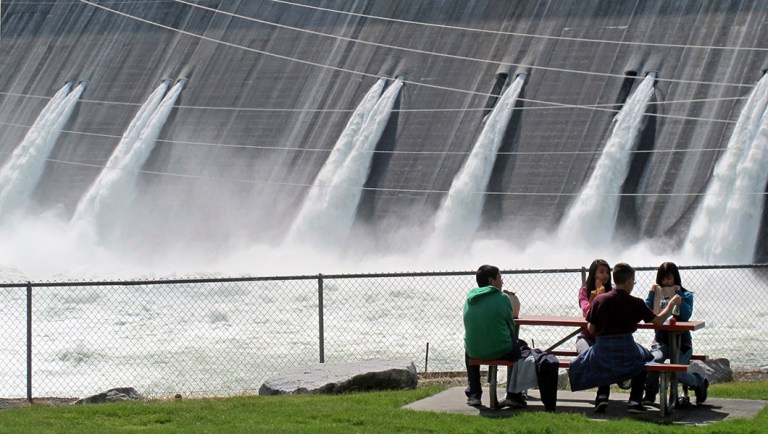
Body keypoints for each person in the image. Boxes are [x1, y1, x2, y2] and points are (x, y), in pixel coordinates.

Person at [569, 262, 681, 413]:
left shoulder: (600, 301)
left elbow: (591, 329)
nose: (633, 285)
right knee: (644, 360)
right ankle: (635, 401)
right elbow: (659, 321)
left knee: (605, 360)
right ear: (629, 281)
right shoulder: (636, 303)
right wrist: (671, 304)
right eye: (633, 282)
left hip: (602, 352)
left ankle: (602, 397)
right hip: (627, 351)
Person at [642, 262, 708, 406]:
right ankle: (650, 393)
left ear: (675, 279)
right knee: (653, 361)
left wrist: (678, 297)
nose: (666, 283)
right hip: (661, 341)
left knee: (677, 372)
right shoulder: (656, 293)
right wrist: (652, 293)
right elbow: (647, 313)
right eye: (663, 279)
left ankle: (699, 381)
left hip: (682, 343)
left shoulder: (686, 295)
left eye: (669, 279)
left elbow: (685, 315)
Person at [463, 265, 526, 408]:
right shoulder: (502, 298)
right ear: (491, 280)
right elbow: (511, 326)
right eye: (500, 277)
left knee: (469, 348)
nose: (502, 281)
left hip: (474, 350)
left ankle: (474, 394)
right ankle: (513, 394)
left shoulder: (470, 298)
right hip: (499, 350)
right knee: (522, 346)